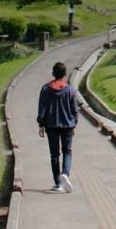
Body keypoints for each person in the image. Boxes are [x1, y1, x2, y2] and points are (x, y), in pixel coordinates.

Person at [37, 61, 79, 193]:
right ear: (65, 74)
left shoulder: (45, 89)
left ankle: (58, 183)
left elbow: (42, 109)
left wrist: (41, 124)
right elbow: (75, 110)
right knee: (67, 151)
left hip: (51, 125)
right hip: (67, 125)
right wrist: (74, 124)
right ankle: (65, 174)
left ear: (53, 73)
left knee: (54, 154)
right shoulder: (70, 90)